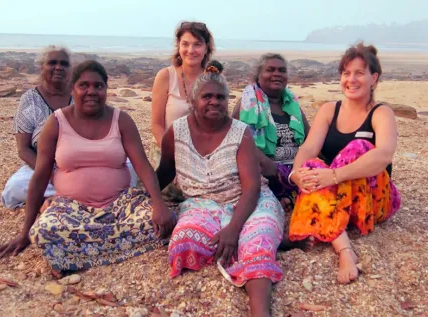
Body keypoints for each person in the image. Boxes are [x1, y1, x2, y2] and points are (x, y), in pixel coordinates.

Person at [0, 61, 176, 277]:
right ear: (73, 88)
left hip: (121, 204)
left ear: (106, 89)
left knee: (163, 220)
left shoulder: (122, 120)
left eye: (98, 86)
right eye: (84, 85)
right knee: (42, 232)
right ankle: (105, 248)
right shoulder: (56, 123)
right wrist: (24, 232)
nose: (91, 91)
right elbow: (40, 176)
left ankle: (75, 255)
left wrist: (158, 203)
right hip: (71, 208)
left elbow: (143, 166)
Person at [157, 66, 284, 317]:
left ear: (227, 101)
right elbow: (163, 172)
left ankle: (261, 311)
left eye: (220, 97)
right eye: (207, 96)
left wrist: (233, 229)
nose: (214, 101)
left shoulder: (240, 132)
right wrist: (150, 199)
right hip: (201, 203)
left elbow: (252, 188)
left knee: (255, 246)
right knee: (184, 244)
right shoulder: (176, 132)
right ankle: (273, 238)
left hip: (248, 201)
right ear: (193, 101)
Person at [287, 43, 401, 284]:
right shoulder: (329, 109)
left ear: (374, 78)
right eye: (346, 73)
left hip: (373, 200)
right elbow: (308, 149)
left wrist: (335, 176)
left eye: (359, 73)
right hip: (334, 195)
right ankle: (344, 248)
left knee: (358, 148)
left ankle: (325, 228)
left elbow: (384, 155)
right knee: (312, 166)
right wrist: (297, 174)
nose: (351, 79)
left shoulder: (382, 113)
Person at [1, 46, 138, 210]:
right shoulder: (29, 99)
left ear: (71, 69)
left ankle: (70, 197)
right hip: (44, 166)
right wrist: (50, 174)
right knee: (15, 187)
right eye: (52, 63)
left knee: (131, 167)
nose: (58, 67)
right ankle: (53, 200)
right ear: (41, 67)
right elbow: (23, 149)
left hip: (91, 160)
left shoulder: (84, 94)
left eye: (64, 64)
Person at [232, 53, 311, 251]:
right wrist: (272, 168)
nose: (277, 74)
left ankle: (288, 200)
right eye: (270, 69)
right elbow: (235, 139)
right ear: (258, 76)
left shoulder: (293, 105)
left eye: (281, 70)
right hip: (265, 172)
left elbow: (311, 140)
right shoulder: (246, 103)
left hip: (295, 170)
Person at [150, 21, 214, 200]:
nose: (190, 50)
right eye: (185, 44)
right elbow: (156, 125)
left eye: (197, 44)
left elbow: (219, 124)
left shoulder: (213, 79)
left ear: (206, 48)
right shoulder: (165, 76)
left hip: (203, 153)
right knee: (174, 191)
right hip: (167, 151)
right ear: (178, 46)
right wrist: (176, 155)